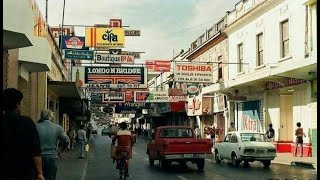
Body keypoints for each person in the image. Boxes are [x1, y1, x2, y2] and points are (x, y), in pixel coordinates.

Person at [2, 88, 45, 180]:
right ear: (18, 105)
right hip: (24, 173)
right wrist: (39, 173)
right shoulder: (27, 123)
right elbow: (35, 151)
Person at [36, 109, 70, 180]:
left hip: (38, 158)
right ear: (50, 117)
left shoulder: (35, 126)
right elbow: (66, 140)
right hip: (52, 157)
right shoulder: (57, 127)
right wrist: (61, 150)